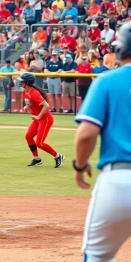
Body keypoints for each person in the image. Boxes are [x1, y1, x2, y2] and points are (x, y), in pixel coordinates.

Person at [73, 22, 131, 262]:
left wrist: (80, 166)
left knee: (96, 257)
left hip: (118, 181)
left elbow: (87, 134)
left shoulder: (107, 81)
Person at [17, 73, 65, 168]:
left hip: (45, 119)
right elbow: (31, 102)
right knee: (28, 136)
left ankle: (58, 156)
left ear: (27, 82)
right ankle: (37, 159)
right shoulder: (25, 91)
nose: (20, 82)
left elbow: (46, 106)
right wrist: (27, 106)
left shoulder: (34, 93)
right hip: (38, 118)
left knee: (40, 143)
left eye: (22, 81)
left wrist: (38, 116)